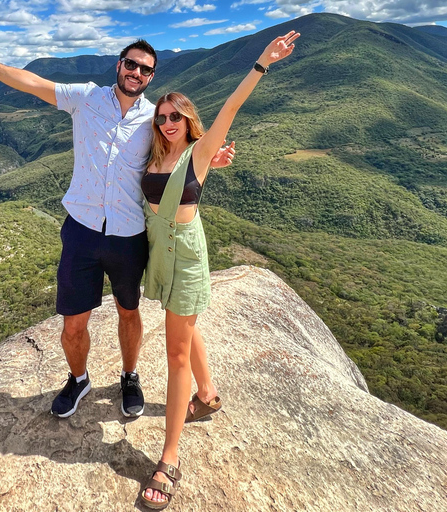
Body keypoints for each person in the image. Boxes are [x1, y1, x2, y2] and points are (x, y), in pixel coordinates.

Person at [0, 39, 235, 420]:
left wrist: (209, 161)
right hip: (82, 229)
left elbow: (179, 151)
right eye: (131, 65)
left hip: (129, 233)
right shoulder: (85, 98)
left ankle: (130, 376)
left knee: (129, 312)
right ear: (119, 65)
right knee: (72, 323)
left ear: (152, 76)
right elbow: (32, 83)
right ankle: (78, 378)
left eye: (145, 69)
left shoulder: (154, 119)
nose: (137, 73)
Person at [137, 30, 300, 509]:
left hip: (185, 256)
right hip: (157, 253)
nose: (167, 122)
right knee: (184, 322)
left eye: (175, 116)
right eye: (161, 116)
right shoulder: (153, 154)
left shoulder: (198, 151)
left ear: (189, 121)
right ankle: (206, 395)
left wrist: (262, 63)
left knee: (175, 355)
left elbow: (230, 108)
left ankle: (169, 458)